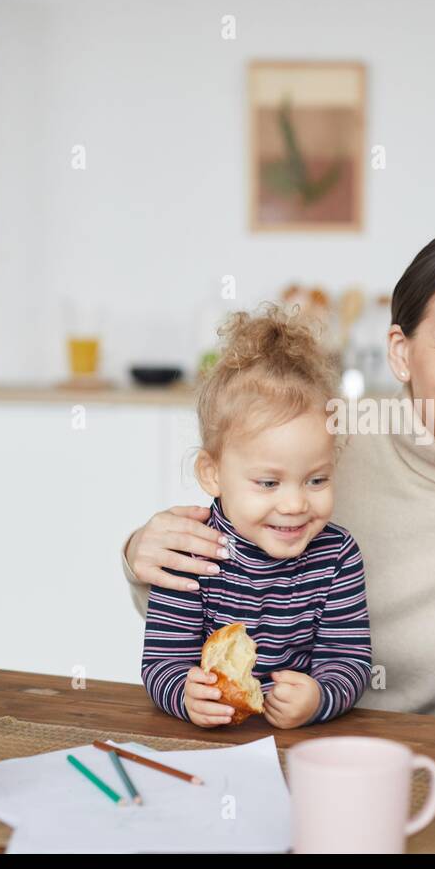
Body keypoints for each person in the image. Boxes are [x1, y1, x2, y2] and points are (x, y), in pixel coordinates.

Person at [126, 233, 435, 717]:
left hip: (422, 756)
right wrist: (139, 549)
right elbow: (206, 596)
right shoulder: (321, 436)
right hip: (259, 740)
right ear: (400, 352)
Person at [141, 305, 371, 729]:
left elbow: (350, 661)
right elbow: (162, 662)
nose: (294, 504)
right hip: (211, 743)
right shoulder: (192, 552)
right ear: (212, 474)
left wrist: (319, 697)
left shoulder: (338, 556)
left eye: (316, 480)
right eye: (269, 483)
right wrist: (185, 695)